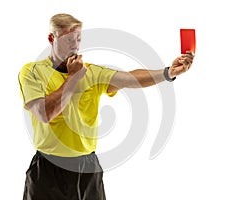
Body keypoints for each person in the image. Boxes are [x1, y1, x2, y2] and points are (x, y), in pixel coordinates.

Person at [18, 13, 194, 200]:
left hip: (87, 168)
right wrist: (72, 78)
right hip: (48, 168)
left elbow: (130, 79)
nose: (75, 45)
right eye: (68, 39)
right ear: (51, 38)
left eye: (78, 39)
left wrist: (168, 72)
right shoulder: (32, 72)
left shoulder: (92, 72)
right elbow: (44, 114)